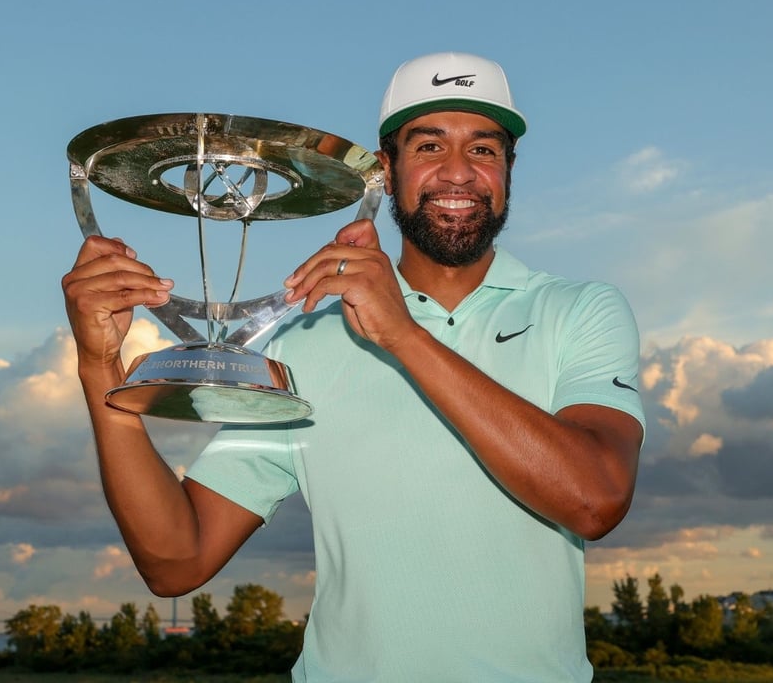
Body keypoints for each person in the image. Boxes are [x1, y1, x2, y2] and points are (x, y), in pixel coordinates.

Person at [62, 51, 644, 682]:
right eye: (428, 147)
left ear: (508, 169)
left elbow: (594, 500)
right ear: (385, 171)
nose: (458, 173)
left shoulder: (579, 308)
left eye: (483, 150)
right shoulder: (304, 343)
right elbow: (176, 562)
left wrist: (402, 335)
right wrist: (100, 369)